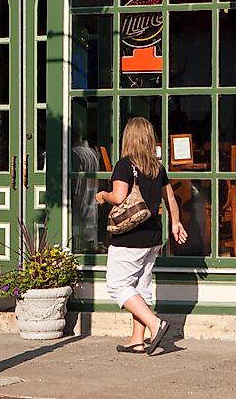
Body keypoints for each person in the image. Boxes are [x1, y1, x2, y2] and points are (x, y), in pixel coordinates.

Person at [94, 117, 186, 356]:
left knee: (117, 286)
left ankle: (156, 325)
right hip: (153, 237)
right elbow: (171, 199)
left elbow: (119, 196)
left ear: (129, 138)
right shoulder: (158, 168)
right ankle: (137, 339)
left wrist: (103, 195)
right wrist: (175, 223)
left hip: (129, 238)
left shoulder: (125, 166)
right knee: (140, 287)